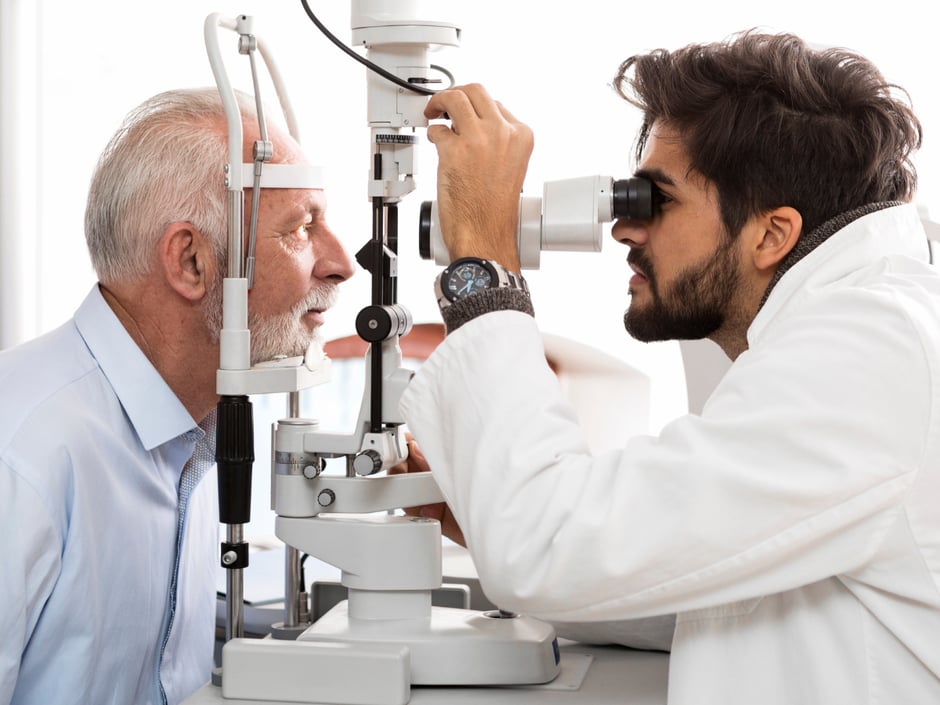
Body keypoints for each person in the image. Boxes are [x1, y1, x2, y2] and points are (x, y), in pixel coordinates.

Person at [396, 30, 940, 703]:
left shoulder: (869, 352)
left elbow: (546, 548)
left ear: (773, 234)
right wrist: (481, 516)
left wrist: (483, 262)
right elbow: (702, 589)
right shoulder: (863, 330)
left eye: (657, 200)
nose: (624, 229)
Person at [0, 88, 355, 705]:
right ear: (191, 261)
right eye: (302, 229)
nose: (342, 263)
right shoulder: (22, 452)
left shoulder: (191, 431)